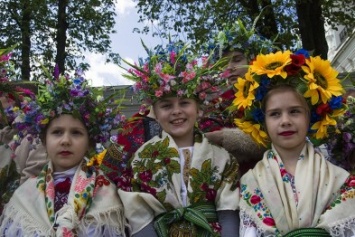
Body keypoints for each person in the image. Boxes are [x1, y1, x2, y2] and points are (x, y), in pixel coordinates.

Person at [117, 41, 240, 236]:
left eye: (184, 103)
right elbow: (139, 217)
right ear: (154, 113)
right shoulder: (141, 160)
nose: (176, 111)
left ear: (199, 109)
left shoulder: (223, 159)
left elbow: (228, 213)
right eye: (166, 106)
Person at [231, 49, 355, 236]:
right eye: (275, 114)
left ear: (310, 117)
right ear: (262, 122)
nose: (285, 121)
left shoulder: (340, 180)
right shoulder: (251, 182)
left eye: (295, 111)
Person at [0, 70, 128, 236]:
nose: (65, 141)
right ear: (44, 141)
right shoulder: (24, 195)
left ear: (89, 142)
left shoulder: (106, 193)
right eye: (57, 132)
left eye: (76, 133)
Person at [199, 19, 276, 173]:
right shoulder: (218, 101)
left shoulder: (272, 93)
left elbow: (280, 138)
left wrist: (226, 138)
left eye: (237, 59)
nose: (230, 68)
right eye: (224, 63)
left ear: (253, 60)